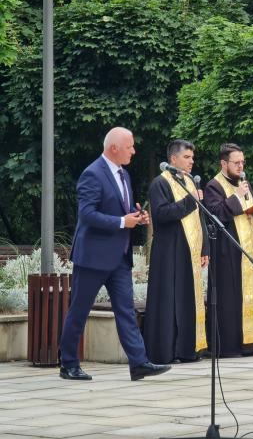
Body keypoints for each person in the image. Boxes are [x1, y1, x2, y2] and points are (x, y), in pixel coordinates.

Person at [59, 127, 171, 381]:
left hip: (119, 258)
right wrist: (122, 221)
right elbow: (87, 215)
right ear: (114, 149)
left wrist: (136, 216)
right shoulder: (92, 174)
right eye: (130, 146)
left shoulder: (124, 174)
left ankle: (139, 363)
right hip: (93, 257)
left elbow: (122, 209)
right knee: (79, 310)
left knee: (126, 311)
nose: (134, 150)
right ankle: (68, 364)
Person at [203, 143, 253, 358]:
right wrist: (237, 196)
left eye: (243, 162)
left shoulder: (244, 183)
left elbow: (249, 213)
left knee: (250, 296)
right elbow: (214, 214)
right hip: (228, 252)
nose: (241, 166)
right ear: (224, 163)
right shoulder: (214, 185)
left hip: (249, 250)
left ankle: (249, 343)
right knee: (230, 298)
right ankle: (229, 346)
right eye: (236, 162)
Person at [144, 140, 210, 364]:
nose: (192, 162)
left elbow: (200, 217)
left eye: (192, 158)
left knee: (187, 299)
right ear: (173, 159)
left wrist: (204, 247)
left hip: (190, 252)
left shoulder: (188, 181)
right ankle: (165, 351)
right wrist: (191, 201)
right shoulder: (159, 183)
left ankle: (187, 349)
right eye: (187, 157)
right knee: (169, 301)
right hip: (169, 250)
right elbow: (162, 214)